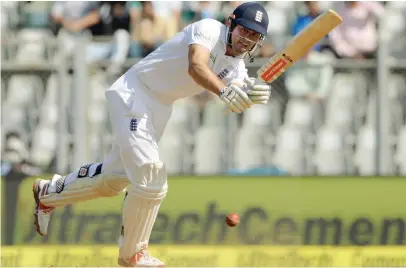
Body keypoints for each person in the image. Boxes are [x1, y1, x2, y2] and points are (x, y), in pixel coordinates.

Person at [32, 2, 272, 267]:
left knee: (112, 180)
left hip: (160, 107)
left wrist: (250, 95)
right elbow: (196, 66)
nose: (246, 39)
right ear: (230, 24)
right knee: (150, 175)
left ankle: (48, 192)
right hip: (135, 93)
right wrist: (225, 92)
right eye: (244, 31)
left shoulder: (236, 67)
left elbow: (236, 92)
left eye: (254, 36)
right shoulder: (208, 29)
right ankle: (132, 254)